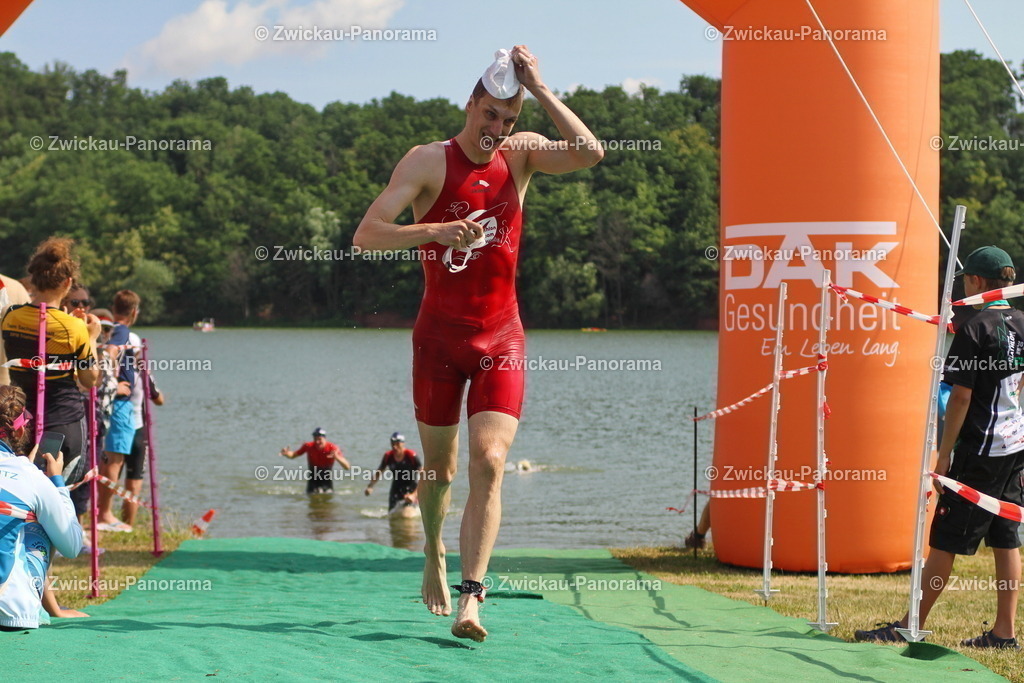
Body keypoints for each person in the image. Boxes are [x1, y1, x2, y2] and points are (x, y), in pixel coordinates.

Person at [353, 45, 603, 641]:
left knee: (490, 462)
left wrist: (539, 87)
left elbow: (591, 153)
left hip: (501, 335)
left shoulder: (519, 157)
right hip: (437, 339)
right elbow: (366, 236)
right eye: (489, 115)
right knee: (438, 472)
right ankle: (433, 549)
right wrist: (436, 229)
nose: (496, 130)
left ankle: (473, 598)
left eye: (508, 120)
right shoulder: (427, 161)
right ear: (470, 104)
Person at [856, 246, 1024, 649]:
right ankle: (1005, 631)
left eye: (965, 280)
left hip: (980, 450)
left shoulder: (975, 328)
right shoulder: (1021, 322)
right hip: (1015, 445)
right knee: (1006, 536)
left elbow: (961, 398)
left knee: (946, 538)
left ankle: (910, 623)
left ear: (977, 283)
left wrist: (944, 452)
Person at [1, 238, 101, 518]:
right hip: (63, 420)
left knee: (20, 504)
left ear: (32, 280)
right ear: (68, 283)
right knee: (56, 503)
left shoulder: (9, 317)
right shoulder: (74, 327)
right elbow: (90, 378)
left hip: (19, 420)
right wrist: (91, 338)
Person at [0, 385, 86, 630]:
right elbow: (72, 546)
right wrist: (57, 483)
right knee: (35, 519)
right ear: (19, 429)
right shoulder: (31, 477)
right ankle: (45, 607)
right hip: (11, 614)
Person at [96, 290, 141, 532]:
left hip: (114, 404)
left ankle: (102, 511)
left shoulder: (112, 327)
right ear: (134, 312)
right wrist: (112, 383)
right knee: (115, 459)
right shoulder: (123, 331)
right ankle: (105, 514)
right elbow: (109, 353)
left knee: (109, 458)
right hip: (120, 405)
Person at [120, 330, 164, 529]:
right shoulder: (142, 371)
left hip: (118, 427)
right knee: (134, 480)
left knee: (107, 476)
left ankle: (106, 520)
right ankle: (127, 524)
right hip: (137, 429)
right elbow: (159, 399)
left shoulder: (112, 369)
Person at [364, 432, 423, 514]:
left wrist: (414, 495)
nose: (395, 447)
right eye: (392, 444)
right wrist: (370, 486)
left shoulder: (411, 456)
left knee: (408, 516)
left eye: (398, 444)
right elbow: (379, 472)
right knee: (392, 515)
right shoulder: (388, 456)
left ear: (403, 444)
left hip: (411, 489)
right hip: (396, 489)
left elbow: (425, 477)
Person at [280, 427, 351, 494]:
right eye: (315, 439)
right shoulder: (308, 446)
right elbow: (293, 455)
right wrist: (286, 453)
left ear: (325, 439)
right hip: (312, 479)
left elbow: (347, 467)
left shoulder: (332, 448)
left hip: (326, 479)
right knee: (311, 498)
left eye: (320, 439)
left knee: (327, 500)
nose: (317, 442)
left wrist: (337, 457)